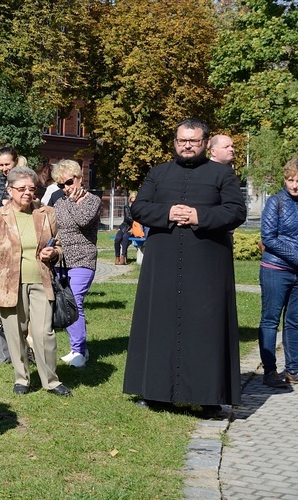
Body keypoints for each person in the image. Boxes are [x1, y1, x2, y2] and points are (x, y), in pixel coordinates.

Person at [122, 117, 246, 416]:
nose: (187, 146)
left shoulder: (222, 175)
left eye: (193, 141)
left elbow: (236, 211)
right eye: (181, 141)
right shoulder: (157, 173)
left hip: (207, 264)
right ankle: (156, 393)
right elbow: (138, 207)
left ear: (204, 143)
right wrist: (168, 212)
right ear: (175, 142)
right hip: (163, 264)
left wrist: (198, 216)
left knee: (207, 327)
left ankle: (208, 397)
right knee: (160, 323)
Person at [0, 166, 71, 397]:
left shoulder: (46, 213)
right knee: (15, 333)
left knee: (44, 333)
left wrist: (53, 253)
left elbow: (59, 245)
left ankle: (51, 381)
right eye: (21, 189)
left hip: (41, 281)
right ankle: (22, 378)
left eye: (31, 189)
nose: (27, 193)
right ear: (10, 190)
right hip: (9, 284)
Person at [52, 159, 101, 368]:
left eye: (69, 182)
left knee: (75, 301)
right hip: (61, 261)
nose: (66, 188)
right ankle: (77, 349)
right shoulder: (58, 202)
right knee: (64, 303)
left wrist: (72, 201)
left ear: (79, 178)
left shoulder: (93, 200)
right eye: (61, 185)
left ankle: (79, 351)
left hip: (83, 259)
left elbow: (83, 220)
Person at [257, 158, 298, 388]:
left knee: (294, 322)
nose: (294, 185)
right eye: (290, 180)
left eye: (297, 181)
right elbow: (269, 238)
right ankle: (270, 371)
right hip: (275, 269)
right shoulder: (276, 202)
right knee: (270, 320)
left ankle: (293, 369)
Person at [114, 192, 137, 265]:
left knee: (125, 237)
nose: (133, 203)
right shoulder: (127, 207)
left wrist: (134, 227)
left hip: (134, 228)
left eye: (134, 201)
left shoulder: (139, 208)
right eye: (132, 201)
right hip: (125, 227)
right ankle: (117, 257)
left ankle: (123, 256)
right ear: (130, 200)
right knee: (117, 238)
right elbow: (128, 218)